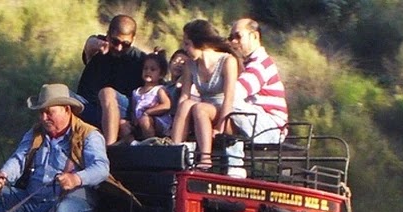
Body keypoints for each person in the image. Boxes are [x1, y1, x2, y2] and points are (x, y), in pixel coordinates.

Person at [0, 84, 109, 212]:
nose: (44, 118)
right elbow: (19, 159)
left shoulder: (89, 135)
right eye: (41, 113)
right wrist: (4, 175)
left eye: (49, 112)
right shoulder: (35, 134)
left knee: (63, 210)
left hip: (74, 200)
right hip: (34, 199)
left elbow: (101, 168)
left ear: (66, 109)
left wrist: (76, 179)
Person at [169, 19, 240, 170]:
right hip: (202, 110)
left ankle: (205, 158)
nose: (184, 48)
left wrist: (221, 127)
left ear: (200, 43)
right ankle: (175, 150)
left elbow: (229, 99)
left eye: (187, 44)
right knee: (187, 104)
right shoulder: (190, 65)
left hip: (225, 113)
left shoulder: (227, 61)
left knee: (200, 108)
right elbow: (184, 96)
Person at [77, 14, 146, 146]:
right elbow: (90, 44)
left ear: (133, 39)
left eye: (126, 44)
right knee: (55, 94)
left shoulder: (139, 59)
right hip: (91, 106)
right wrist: (95, 44)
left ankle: (110, 148)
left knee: (107, 93)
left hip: (121, 108)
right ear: (108, 35)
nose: (119, 48)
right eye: (115, 41)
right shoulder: (99, 48)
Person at [228, 18, 289, 143]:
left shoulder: (260, 64)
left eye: (238, 36)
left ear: (255, 36)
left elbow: (235, 93)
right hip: (258, 121)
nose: (233, 41)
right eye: (231, 38)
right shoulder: (246, 64)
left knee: (227, 101)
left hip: (270, 127)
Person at [122, 51, 172, 142]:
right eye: (145, 69)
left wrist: (148, 112)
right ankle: (133, 144)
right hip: (139, 122)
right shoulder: (136, 92)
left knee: (145, 120)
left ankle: (151, 144)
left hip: (156, 121)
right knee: (123, 124)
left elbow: (166, 105)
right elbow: (134, 109)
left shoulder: (158, 90)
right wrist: (133, 120)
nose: (148, 71)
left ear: (161, 74)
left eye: (153, 70)